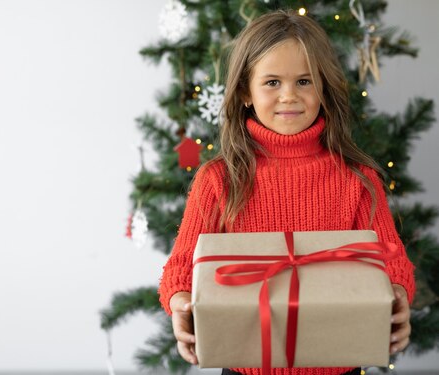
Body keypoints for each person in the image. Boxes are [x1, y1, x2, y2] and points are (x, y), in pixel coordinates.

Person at [158, 9, 415, 375]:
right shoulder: (218, 180)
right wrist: (180, 301)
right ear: (246, 91)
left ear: (323, 88)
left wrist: (399, 292)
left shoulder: (359, 179)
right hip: (243, 366)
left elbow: (391, 260)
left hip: (339, 366)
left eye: (305, 82)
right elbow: (182, 266)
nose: (289, 96)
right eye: (273, 82)